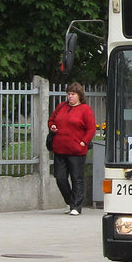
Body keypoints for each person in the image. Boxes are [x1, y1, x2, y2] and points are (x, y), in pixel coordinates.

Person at [48, 82, 96, 215]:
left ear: (79, 95)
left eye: (73, 94)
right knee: (60, 177)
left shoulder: (85, 110)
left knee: (77, 178)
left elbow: (91, 128)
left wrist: (83, 142)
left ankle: (76, 206)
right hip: (60, 149)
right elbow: (51, 120)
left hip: (76, 151)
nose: (70, 97)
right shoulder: (61, 106)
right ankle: (70, 201)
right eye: (69, 94)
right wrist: (52, 126)